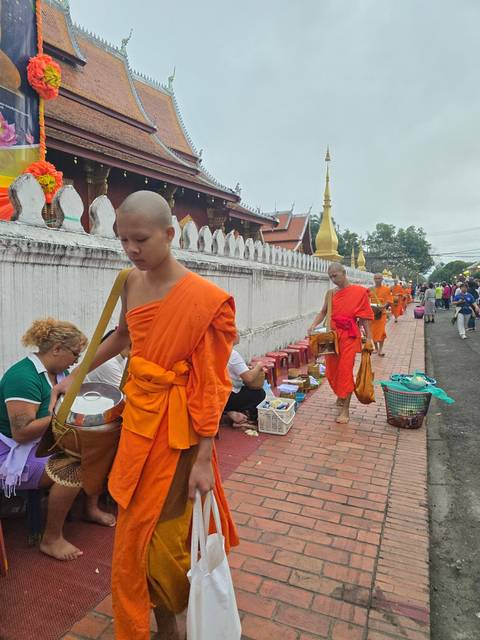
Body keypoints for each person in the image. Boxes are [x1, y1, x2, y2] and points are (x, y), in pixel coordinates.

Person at [50, 191, 238, 640]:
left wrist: (202, 460)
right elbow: (121, 337)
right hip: (137, 420)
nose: (132, 250)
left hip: (179, 435)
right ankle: (158, 624)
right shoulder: (130, 281)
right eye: (124, 241)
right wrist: (71, 378)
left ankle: (171, 622)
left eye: (141, 240)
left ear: (169, 235)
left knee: (164, 539)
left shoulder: (206, 299)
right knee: (134, 531)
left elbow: (212, 384)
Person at [0, 318, 115, 562]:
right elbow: (21, 432)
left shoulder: (59, 374)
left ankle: (90, 509)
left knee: (98, 449)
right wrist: (63, 417)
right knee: (74, 469)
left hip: (38, 445)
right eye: (75, 354)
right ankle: (51, 539)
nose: (76, 360)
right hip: (13, 453)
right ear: (56, 349)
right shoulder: (23, 377)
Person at [308, 263, 373, 424]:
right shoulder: (330, 294)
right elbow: (323, 311)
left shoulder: (359, 292)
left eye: (335, 275)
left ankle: (345, 410)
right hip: (332, 337)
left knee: (345, 371)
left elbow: (364, 318)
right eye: (330, 276)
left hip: (349, 337)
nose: (333, 279)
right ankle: (340, 394)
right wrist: (313, 325)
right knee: (332, 371)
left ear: (344, 273)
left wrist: (369, 338)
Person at [224, 334, 266, 427]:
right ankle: (248, 418)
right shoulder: (232, 354)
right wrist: (258, 366)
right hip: (227, 396)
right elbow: (249, 378)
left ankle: (230, 413)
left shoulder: (217, 350)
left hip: (217, 394)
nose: (239, 335)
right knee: (259, 394)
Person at [368, 273, 393, 357]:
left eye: (379, 278)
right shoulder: (370, 289)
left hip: (382, 313)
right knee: (373, 332)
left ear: (382, 279)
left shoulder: (386, 289)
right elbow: (366, 300)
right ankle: (376, 348)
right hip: (372, 314)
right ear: (374, 279)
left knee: (381, 332)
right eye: (376, 278)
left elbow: (389, 300)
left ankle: (381, 349)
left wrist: (384, 306)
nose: (377, 280)